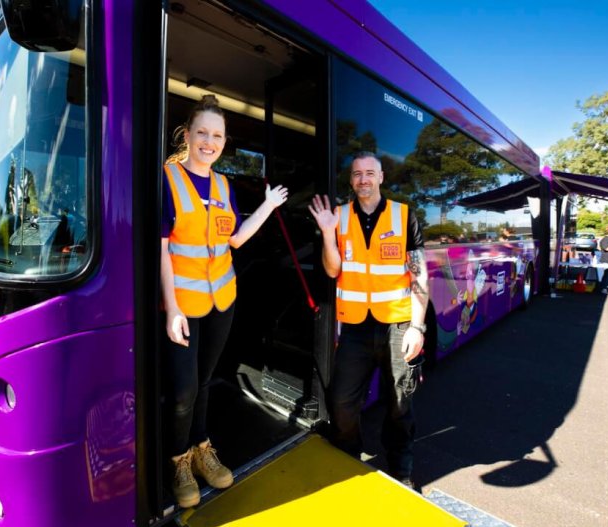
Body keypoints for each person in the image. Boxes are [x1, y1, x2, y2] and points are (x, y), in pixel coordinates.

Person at [161, 94, 288, 507]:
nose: (209, 141)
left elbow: (234, 239)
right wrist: (172, 308)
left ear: (224, 141)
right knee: (182, 391)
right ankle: (178, 460)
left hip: (222, 301)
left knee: (203, 383)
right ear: (188, 134)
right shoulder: (169, 177)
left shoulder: (224, 185)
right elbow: (161, 249)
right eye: (202, 133)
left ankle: (202, 448)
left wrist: (267, 207)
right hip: (182, 305)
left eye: (217, 135)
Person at [308, 151, 428, 489]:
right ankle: (349, 457)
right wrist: (328, 235)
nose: (363, 179)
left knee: (399, 402)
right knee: (342, 403)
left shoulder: (404, 217)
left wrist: (417, 327)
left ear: (381, 178)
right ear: (351, 180)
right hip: (356, 328)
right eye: (357, 173)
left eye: (370, 173)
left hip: (398, 324)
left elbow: (419, 276)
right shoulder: (339, 216)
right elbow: (333, 270)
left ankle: (401, 470)